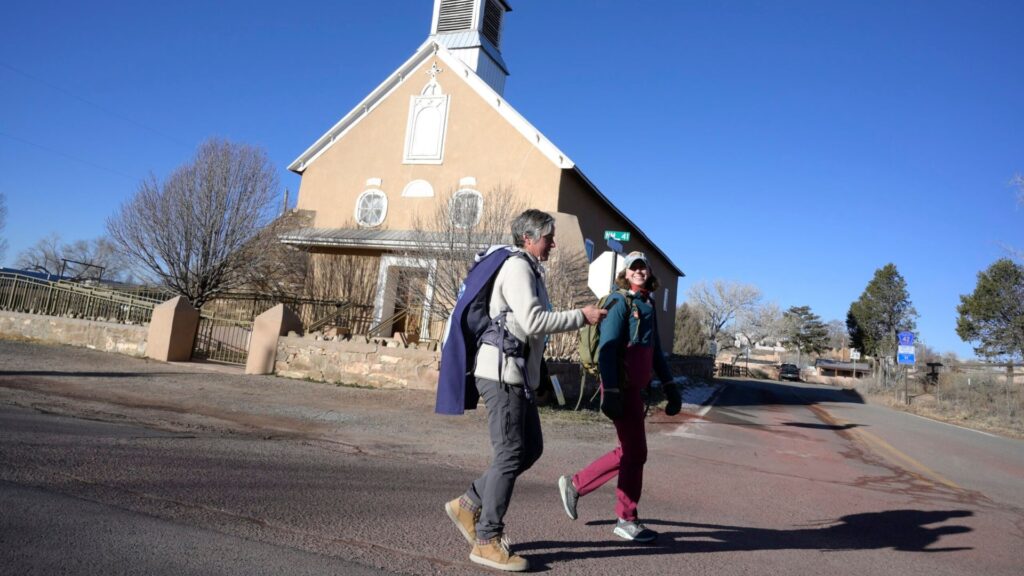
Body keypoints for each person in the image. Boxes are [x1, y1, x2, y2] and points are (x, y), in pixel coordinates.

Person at [444, 209, 607, 572]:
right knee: (510, 453)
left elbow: (526, 329)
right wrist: (583, 316)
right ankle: (486, 539)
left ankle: (468, 504)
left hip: (517, 375)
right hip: (500, 374)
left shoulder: (532, 270)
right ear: (529, 238)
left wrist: (540, 376)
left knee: (530, 448)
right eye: (548, 237)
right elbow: (534, 320)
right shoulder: (518, 267)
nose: (553, 243)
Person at [556, 251, 681, 543]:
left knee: (630, 451)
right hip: (619, 389)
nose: (639, 271)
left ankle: (576, 485)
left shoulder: (647, 305)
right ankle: (626, 518)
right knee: (635, 453)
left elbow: (656, 353)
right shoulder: (619, 302)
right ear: (625, 273)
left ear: (649, 272)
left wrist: (671, 385)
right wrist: (610, 390)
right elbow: (608, 349)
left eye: (643, 267)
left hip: (634, 392)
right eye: (633, 267)